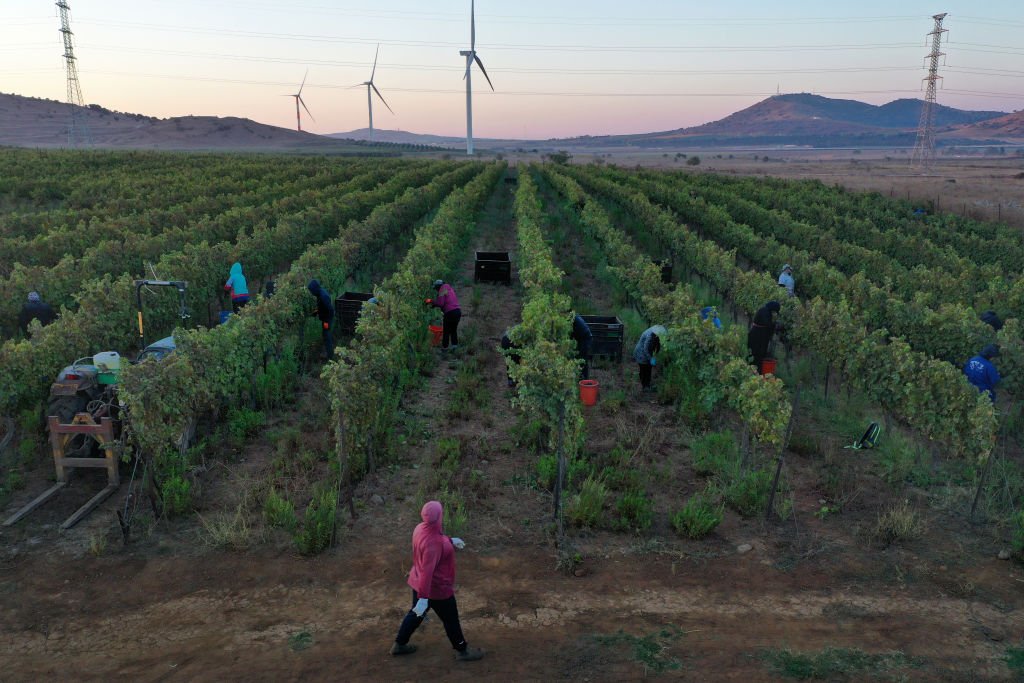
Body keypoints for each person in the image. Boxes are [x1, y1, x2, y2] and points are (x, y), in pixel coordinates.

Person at [391, 501, 484, 662]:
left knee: (416, 614)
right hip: (436, 589)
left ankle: (399, 644)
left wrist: (449, 540)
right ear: (439, 516)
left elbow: (433, 539)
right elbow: (428, 571)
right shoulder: (435, 544)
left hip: (418, 581)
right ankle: (462, 650)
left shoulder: (420, 528)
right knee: (451, 620)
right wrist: (424, 598)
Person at [428, 280, 461, 350]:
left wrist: (431, 301)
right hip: (457, 311)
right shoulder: (450, 289)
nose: (436, 290)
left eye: (436, 288)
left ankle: (445, 347)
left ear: (438, 286)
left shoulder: (442, 289)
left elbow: (440, 303)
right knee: (453, 330)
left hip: (450, 312)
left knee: (446, 330)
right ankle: (454, 346)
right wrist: (435, 304)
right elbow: (446, 301)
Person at [747, 301, 781, 370]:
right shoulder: (764, 311)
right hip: (757, 336)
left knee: (758, 354)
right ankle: (755, 370)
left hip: (759, 335)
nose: (774, 312)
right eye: (775, 310)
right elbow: (767, 324)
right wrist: (775, 325)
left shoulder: (766, 310)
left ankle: (755, 369)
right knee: (757, 353)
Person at [307, 279, 335, 360]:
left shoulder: (323, 296)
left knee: (327, 335)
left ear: (315, 289)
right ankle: (327, 351)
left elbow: (330, 310)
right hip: (325, 318)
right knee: (325, 334)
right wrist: (316, 312)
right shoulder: (320, 293)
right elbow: (323, 307)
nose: (311, 293)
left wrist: (326, 321)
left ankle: (330, 355)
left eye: (311, 291)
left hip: (327, 319)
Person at [633, 325, 666, 391]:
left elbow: (657, 346)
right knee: (644, 369)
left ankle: (647, 385)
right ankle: (644, 386)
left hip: (647, 353)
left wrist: (655, 355)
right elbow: (645, 349)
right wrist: (650, 358)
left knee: (648, 368)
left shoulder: (657, 336)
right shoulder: (650, 336)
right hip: (641, 353)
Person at [571, 314, 594, 380]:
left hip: (585, 339)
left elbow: (571, 333)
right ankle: (581, 377)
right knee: (581, 358)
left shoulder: (572, 319)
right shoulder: (574, 315)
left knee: (582, 359)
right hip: (584, 338)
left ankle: (584, 379)